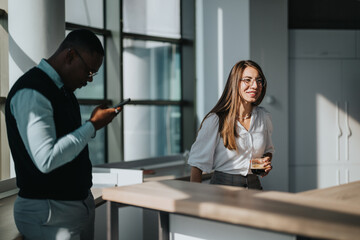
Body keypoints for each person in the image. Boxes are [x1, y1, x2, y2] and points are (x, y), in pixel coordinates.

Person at [5, 29, 121, 240]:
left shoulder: (63, 91)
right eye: (88, 71)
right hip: (50, 214)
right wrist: (93, 125)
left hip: (69, 209)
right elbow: (46, 159)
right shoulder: (32, 92)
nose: (89, 80)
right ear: (70, 56)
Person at [188, 60, 274, 190]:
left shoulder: (263, 117)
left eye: (259, 80)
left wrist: (265, 161)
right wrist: (194, 202)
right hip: (222, 190)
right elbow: (197, 165)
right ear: (235, 83)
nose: (255, 85)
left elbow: (268, 149)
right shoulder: (215, 120)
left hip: (255, 188)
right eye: (247, 80)